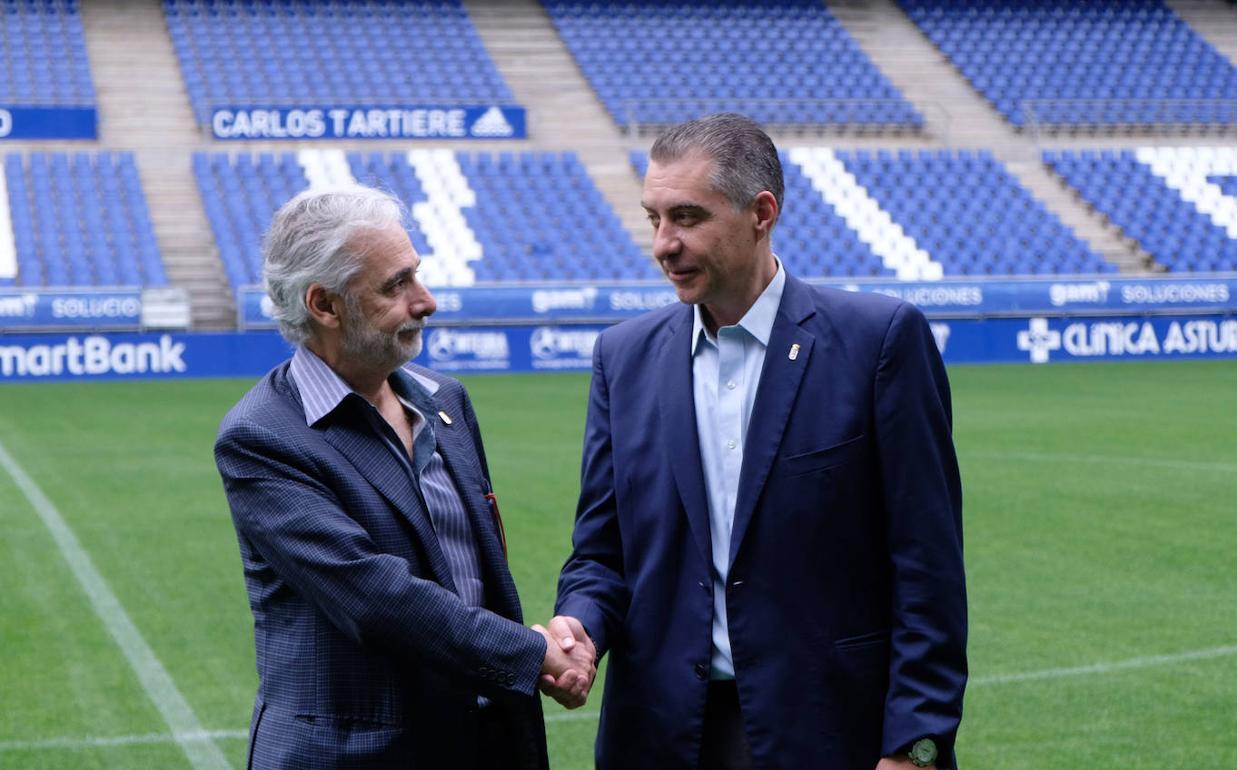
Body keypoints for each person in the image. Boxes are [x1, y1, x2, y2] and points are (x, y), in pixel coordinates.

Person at [546, 114, 967, 769]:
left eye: (686, 217)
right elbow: (601, 554)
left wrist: (914, 745)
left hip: (828, 733)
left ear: (761, 212)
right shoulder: (622, 358)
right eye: (653, 217)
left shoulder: (878, 342)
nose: (663, 243)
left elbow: (927, 566)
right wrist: (581, 625)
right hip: (659, 737)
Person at [214, 185, 593, 770]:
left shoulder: (447, 399)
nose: (427, 300)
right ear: (325, 304)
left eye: (417, 275)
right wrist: (532, 654)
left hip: (487, 744)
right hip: (356, 755)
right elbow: (374, 597)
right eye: (396, 285)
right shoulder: (263, 438)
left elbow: (482, 577)